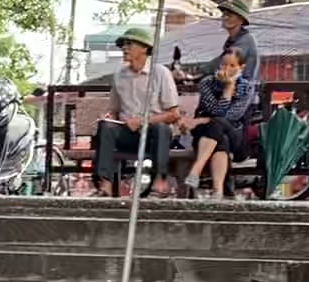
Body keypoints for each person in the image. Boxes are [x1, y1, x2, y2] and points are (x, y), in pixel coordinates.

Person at [95, 26, 180, 197]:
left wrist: (143, 121)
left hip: (153, 135)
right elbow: (114, 110)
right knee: (106, 127)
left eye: (129, 44)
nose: (124, 48)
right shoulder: (119, 75)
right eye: (123, 45)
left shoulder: (160, 73)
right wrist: (108, 117)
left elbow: (173, 114)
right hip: (129, 133)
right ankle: (105, 185)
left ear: (144, 48)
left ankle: (159, 182)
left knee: (162, 129)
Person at [178, 46, 253, 199]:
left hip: (234, 132)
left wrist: (228, 88)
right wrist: (226, 91)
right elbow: (214, 110)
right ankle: (217, 191)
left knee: (219, 126)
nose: (227, 69)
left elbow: (232, 115)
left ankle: (196, 170)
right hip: (206, 133)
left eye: (232, 65)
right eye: (224, 64)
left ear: (241, 67)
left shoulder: (246, 87)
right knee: (220, 136)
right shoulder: (207, 83)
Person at [216, 0, 260, 80]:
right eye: (224, 15)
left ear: (241, 20)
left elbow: (223, 62)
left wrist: (199, 71)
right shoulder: (231, 40)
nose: (225, 18)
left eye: (229, 15)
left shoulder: (245, 40)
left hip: (241, 88)